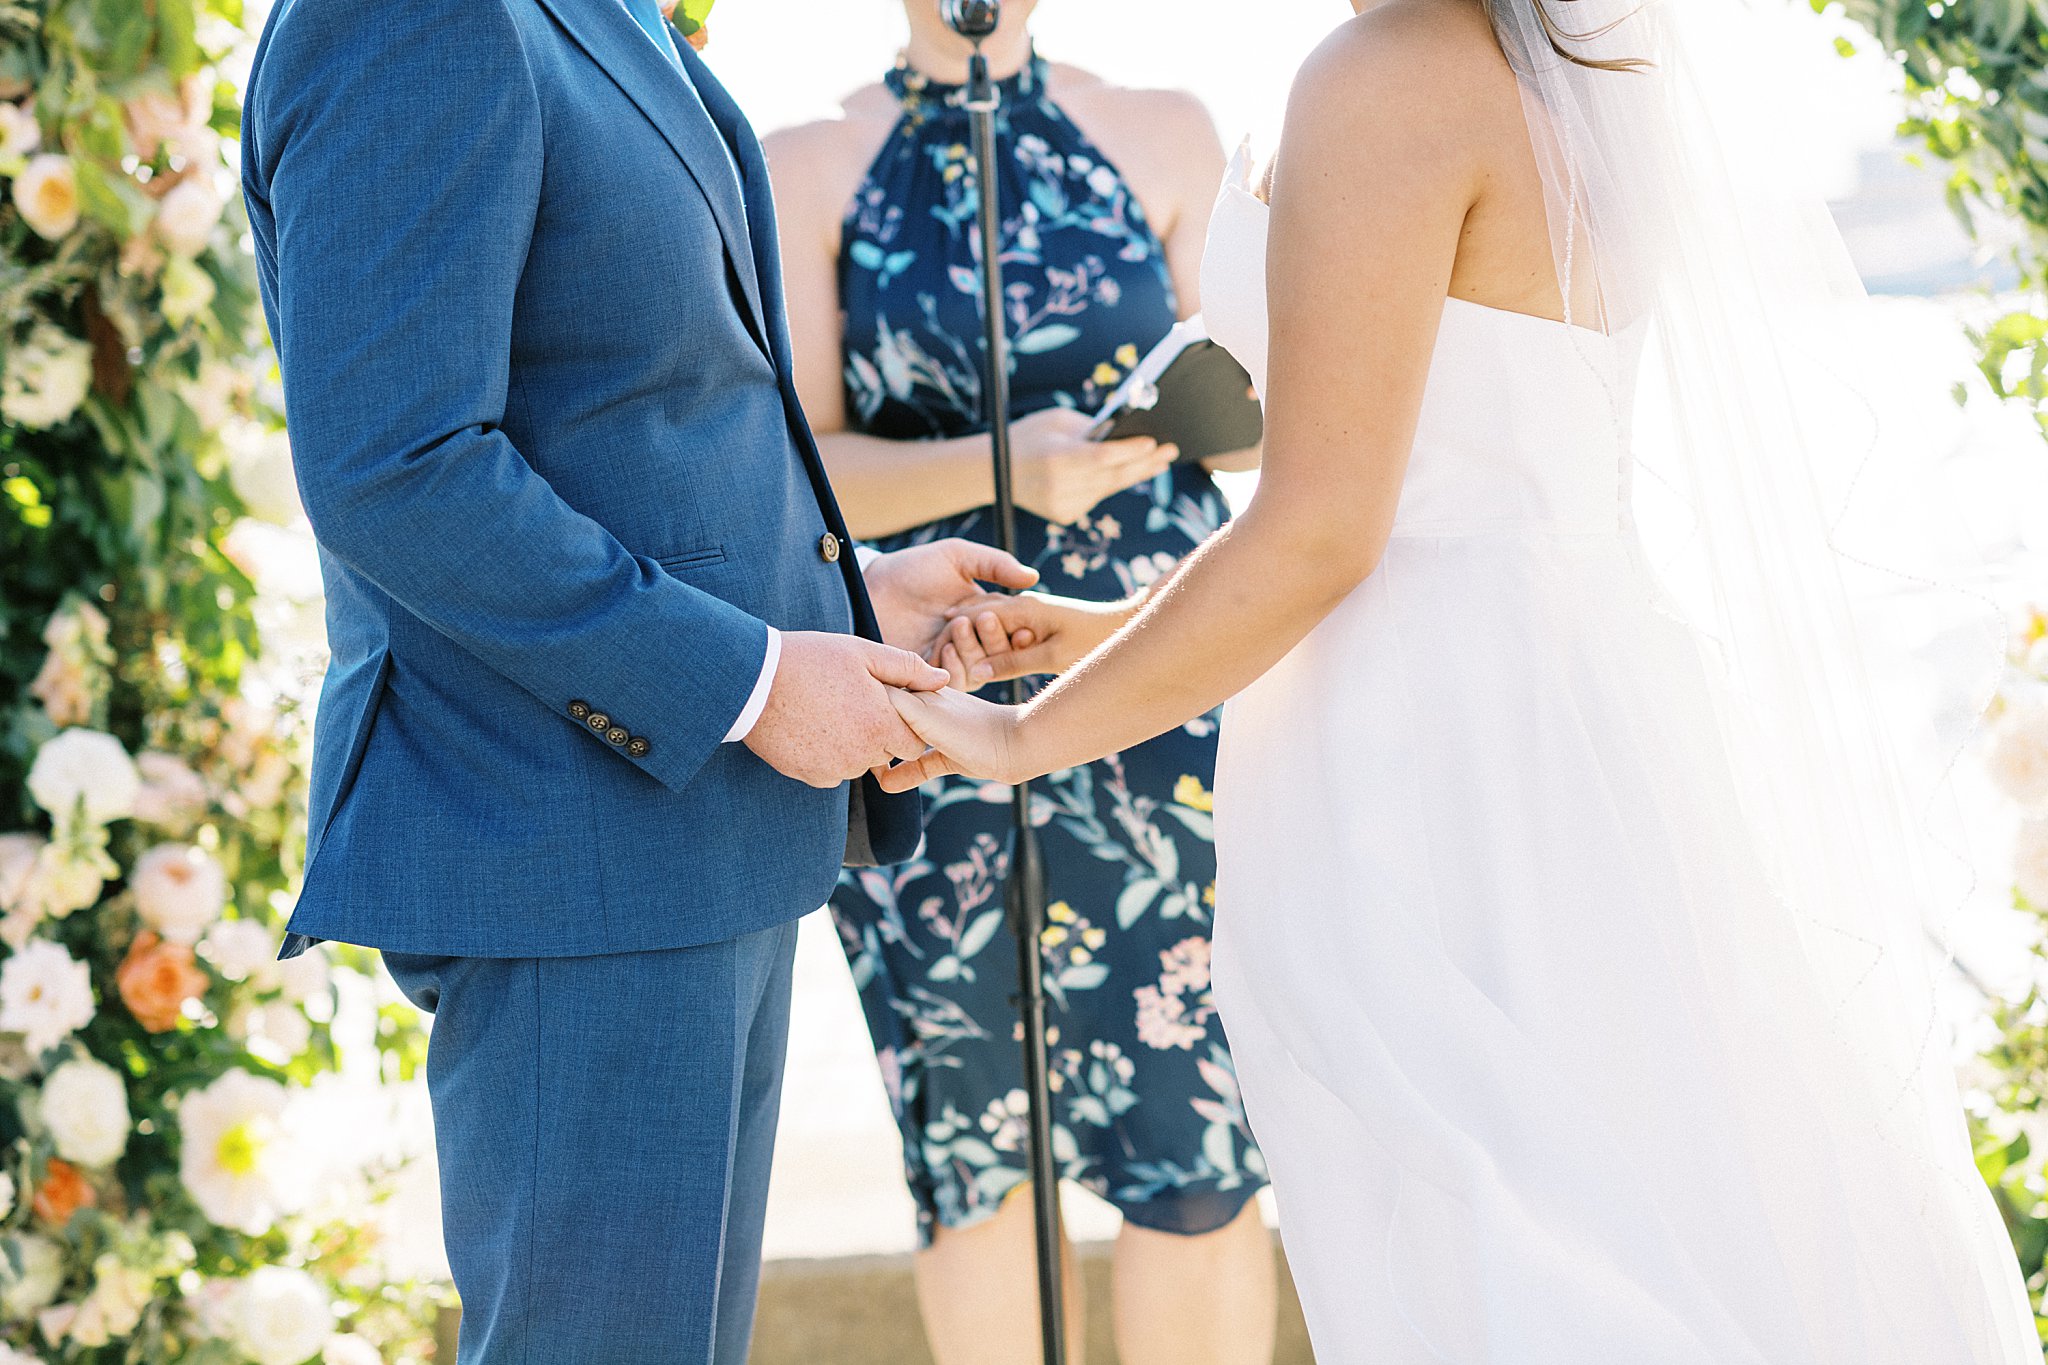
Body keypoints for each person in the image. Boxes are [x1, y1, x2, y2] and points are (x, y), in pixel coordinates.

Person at [892, 0, 2043, 1358]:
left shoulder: (1386, 76)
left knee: (1502, 1254)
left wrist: (1021, 740)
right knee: (1641, 1198)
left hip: (1425, 770)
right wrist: (1098, 627)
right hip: (1564, 720)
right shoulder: (1548, 68)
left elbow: (1330, 528)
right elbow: (1447, 479)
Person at [239, 0, 1037, 1361]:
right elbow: (399, 466)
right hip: (569, 851)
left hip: (694, 844)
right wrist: (753, 680)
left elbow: (645, 410)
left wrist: (838, 602)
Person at [762, 4, 1273, 1361]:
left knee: (1198, 1130)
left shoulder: (1168, 130)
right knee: (971, 1137)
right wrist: (1006, 470)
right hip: (932, 690)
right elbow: (799, 466)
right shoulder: (805, 160)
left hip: (1159, 675)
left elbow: (1246, 426)